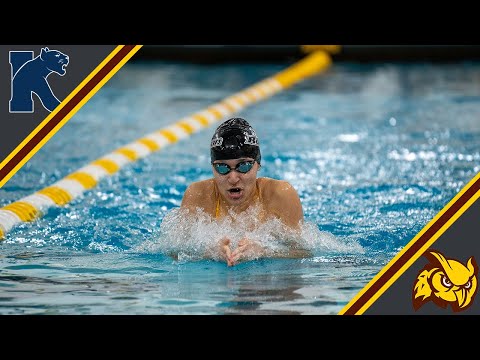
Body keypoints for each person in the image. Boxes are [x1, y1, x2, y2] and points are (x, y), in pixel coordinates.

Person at [180, 117, 308, 266]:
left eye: (244, 166)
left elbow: (303, 252)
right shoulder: (197, 195)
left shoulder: (280, 195)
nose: (233, 178)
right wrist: (207, 252)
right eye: (222, 167)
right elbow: (174, 253)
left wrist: (265, 251)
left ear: (258, 164)